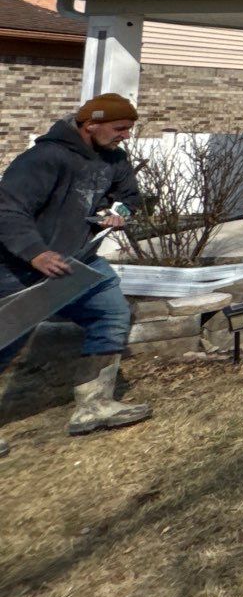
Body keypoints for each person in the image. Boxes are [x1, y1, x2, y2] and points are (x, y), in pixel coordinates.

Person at [0, 93, 153, 456]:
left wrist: (117, 213)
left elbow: (129, 197)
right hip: (18, 266)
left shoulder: (114, 159)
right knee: (6, 340)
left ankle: (94, 405)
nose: (125, 136)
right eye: (120, 128)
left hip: (78, 261)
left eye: (129, 129)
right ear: (91, 124)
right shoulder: (43, 158)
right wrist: (36, 252)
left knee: (111, 312)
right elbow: (7, 210)